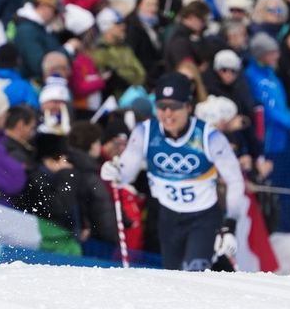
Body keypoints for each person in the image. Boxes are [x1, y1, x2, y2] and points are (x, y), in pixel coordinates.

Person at [101, 72, 246, 271]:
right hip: (168, 216)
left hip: (203, 217)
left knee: (194, 273)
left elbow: (235, 180)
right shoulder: (145, 132)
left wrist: (230, 225)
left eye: (175, 106)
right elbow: (126, 173)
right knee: (175, 277)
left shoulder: (208, 137)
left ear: (188, 106)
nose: (168, 114)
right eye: (161, 106)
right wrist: (114, 171)